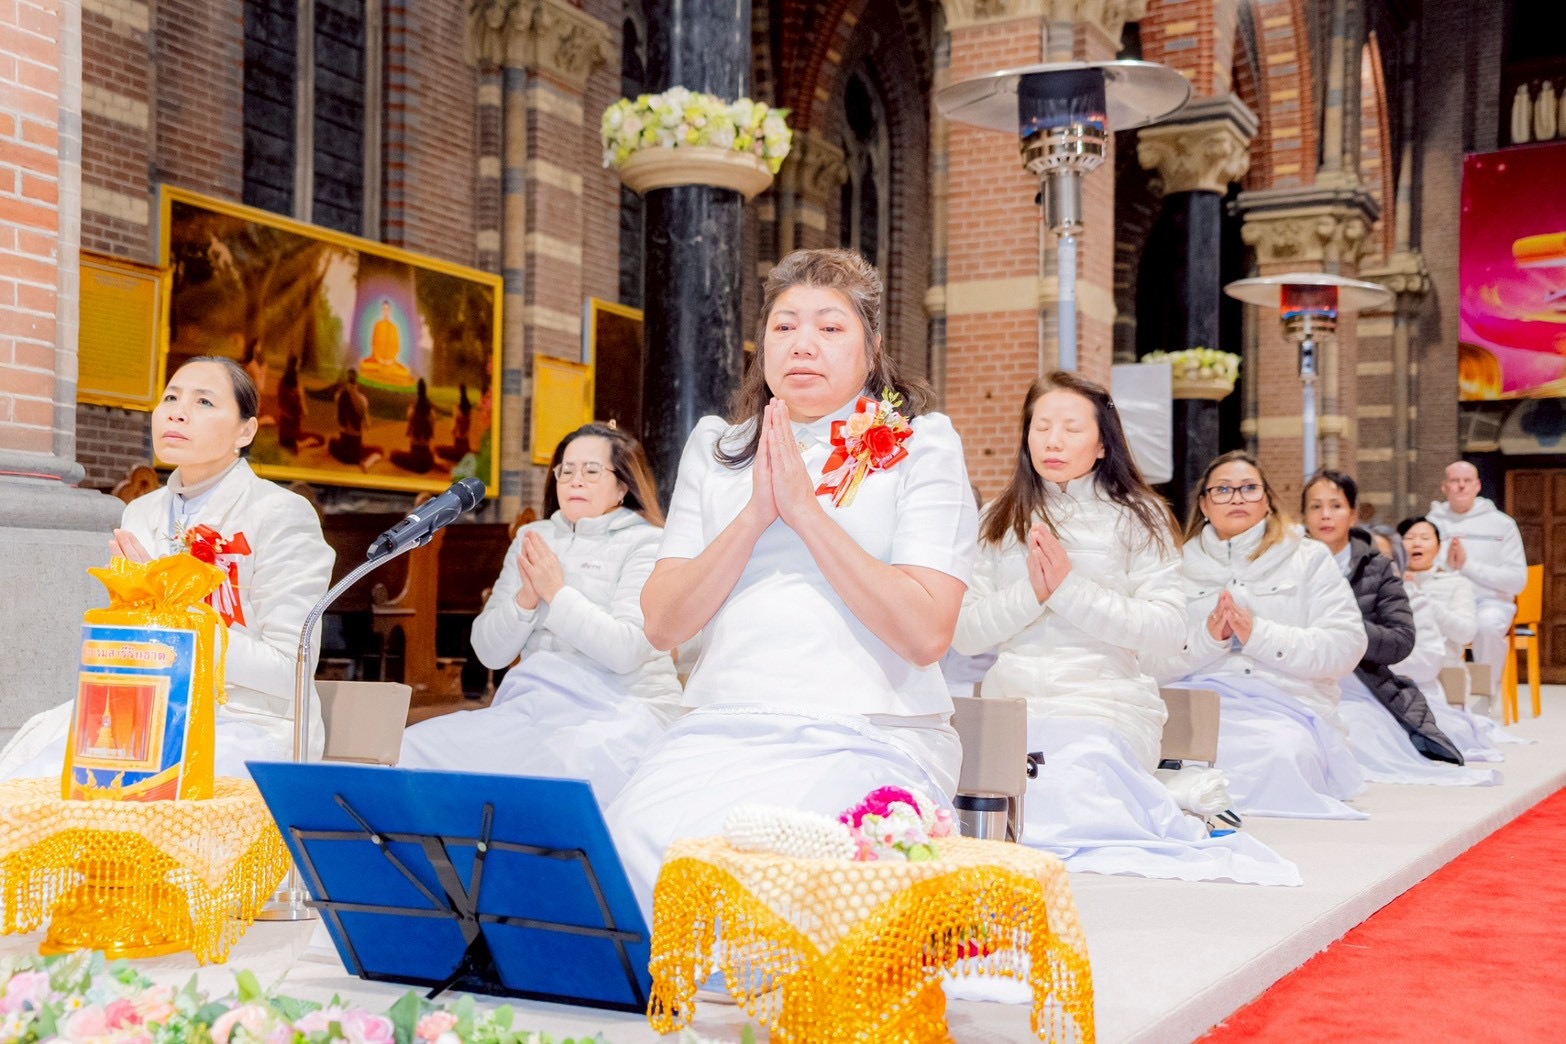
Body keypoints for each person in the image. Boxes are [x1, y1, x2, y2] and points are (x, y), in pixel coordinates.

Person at [605, 249, 979, 913]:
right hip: (723, 723)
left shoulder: (922, 444)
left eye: (830, 328)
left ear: (873, 348)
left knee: (783, 879)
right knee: (630, 855)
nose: (803, 343)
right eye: (785, 326)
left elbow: (926, 632)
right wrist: (755, 515)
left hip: (871, 727)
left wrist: (806, 513)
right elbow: (663, 623)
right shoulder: (718, 447)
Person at [953, 374, 1297, 885]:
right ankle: (1163, 791)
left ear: (1101, 444)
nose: (1052, 440)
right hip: (1014, 701)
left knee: (1071, 783)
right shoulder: (996, 521)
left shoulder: (1141, 517)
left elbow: (1165, 629)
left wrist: (1069, 591)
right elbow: (965, 634)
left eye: (1071, 428)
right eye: (1041, 426)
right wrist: (1034, 593)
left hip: (1103, 699)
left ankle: (1163, 792)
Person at [0, 357, 335, 780]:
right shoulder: (140, 513)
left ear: (245, 430)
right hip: (147, 706)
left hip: (248, 719)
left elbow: (291, 671)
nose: (177, 411)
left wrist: (173, 611)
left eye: (204, 402)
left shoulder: (280, 514)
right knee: (38, 765)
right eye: (171, 397)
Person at [398, 423, 679, 805]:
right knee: (412, 748)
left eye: (591, 472)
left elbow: (625, 651)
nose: (575, 481)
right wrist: (526, 600)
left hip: (620, 706)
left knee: (560, 768)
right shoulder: (533, 538)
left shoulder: (647, 543)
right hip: (532, 704)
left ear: (622, 486)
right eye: (566, 470)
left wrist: (556, 593)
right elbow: (489, 653)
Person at [1151, 451, 1369, 820]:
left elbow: (1345, 646)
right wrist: (1208, 639)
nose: (1236, 497)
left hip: (1282, 705)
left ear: (1267, 500)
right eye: (1222, 489)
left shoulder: (1308, 558)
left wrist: (1259, 635)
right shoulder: (1173, 567)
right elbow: (1146, 660)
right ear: (1204, 504)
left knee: (1276, 755)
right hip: (1192, 706)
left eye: (1249, 488)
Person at [1301, 472, 1494, 786]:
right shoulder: (1287, 562)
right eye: (1315, 507)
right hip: (1296, 677)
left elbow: (1403, 641)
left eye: (1335, 505)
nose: (1325, 515)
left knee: (1345, 736)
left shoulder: (1377, 569)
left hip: (1360, 685)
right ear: (1304, 516)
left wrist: (1345, 632)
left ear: (1352, 514)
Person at [1398, 516, 1523, 756]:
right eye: (1409, 538)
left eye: (1424, 538)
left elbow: (1466, 632)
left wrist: (1422, 598)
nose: (1416, 544)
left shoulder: (1456, 584)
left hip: (1443, 673)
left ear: (1438, 546)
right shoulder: (1389, 582)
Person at [1426, 461, 1528, 713]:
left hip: (1489, 602)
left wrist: (1468, 566)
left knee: (1486, 627)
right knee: (1430, 625)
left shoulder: (1501, 524)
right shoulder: (1431, 524)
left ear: (1478, 486)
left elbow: (1517, 580)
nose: (1461, 485)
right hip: (1447, 600)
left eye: (1467, 480)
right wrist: (1447, 568)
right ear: (1444, 487)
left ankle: (1485, 696)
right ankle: (1448, 702)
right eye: (1454, 480)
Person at [390, 378, 437, 474]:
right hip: (427, 458)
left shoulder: (412, 411)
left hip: (414, 454)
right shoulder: (431, 413)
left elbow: (410, 428)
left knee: (394, 454)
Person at [436, 383, 473, 463]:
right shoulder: (469, 410)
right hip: (466, 447)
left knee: (437, 450)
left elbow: (454, 428)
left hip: (459, 447)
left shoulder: (458, 409)